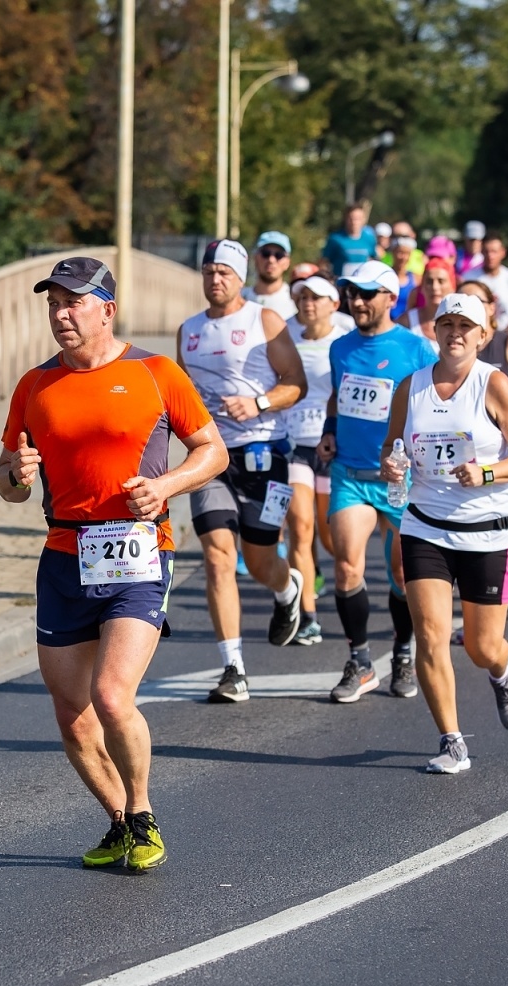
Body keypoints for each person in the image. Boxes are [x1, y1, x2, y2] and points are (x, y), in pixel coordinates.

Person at [0, 256, 226, 872]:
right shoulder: (34, 385)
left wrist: (169, 486)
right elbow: (9, 481)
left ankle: (145, 812)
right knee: (71, 715)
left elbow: (212, 450)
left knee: (111, 695)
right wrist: (15, 477)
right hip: (64, 556)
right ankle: (119, 821)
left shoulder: (154, 372)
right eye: (53, 304)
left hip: (136, 550)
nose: (61, 314)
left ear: (107, 308)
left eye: (73, 302)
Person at [383, 293, 508, 774]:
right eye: (446, 324)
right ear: (435, 330)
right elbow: (390, 453)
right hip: (425, 526)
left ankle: (502, 670)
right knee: (430, 637)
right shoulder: (410, 388)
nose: (455, 333)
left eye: (465, 326)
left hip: (488, 532)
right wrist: (392, 467)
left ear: (483, 336)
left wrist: (488, 473)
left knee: (480, 646)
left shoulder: (493, 384)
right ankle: (452, 741)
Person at [178, 239, 309, 703]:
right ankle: (232, 667)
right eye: (209, 271)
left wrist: (257, 402)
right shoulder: (189, 330)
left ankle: (286, 587)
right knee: (216, 557)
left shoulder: (263, 320)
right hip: (210, 457)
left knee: (258, 562)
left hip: (264, 454)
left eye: (225, 273)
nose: (216, 279)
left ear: (240, 278)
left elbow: (296, 383)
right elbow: (181, 396)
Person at [318, 259, 438, 702]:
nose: (357, 301)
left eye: (367, 293)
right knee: (347, 565)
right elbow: (337, 395)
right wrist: (329, 433)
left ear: (390, 298)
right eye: (351, 292)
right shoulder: (340, 347)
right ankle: (361, 660)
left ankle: (402, 654)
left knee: (402, 573)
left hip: (400, 480)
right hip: (350, 474)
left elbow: (433, 406)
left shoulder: (418, 349)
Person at [282, 275, 353, 644]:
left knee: (332, 540)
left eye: (316, 297)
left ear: (333, 303)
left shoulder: (345, 343)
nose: (308, 303)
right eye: (302, 297)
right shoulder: (285, 340)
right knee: (301, 525)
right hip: (296, 444)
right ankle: (307, 615)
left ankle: (346, 587)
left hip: (333, 445)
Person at [462, 235, 508, 330]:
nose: (490, 256)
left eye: (494, 251)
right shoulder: (469, 278)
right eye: (486, 251)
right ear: (481, 252)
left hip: (505, 334)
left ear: (503, 252)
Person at [397, 257, 458, 339]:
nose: (435, 287)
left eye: (441, 281)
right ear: (422, 287)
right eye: (429, 281)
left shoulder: (462, 322)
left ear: (452, 287)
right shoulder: (407, 322)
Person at [242, 231, 297, 319]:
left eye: (279, 255)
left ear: (287, 262)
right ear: (255, 258)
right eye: (265, 253)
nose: (271, 260)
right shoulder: (239, 297)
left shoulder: (295, 301)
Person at [322, 204, 377, 277]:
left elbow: (373, 259)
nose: (354, 222)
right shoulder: (335, 239)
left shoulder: (369, 239)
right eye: (351, 218)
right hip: (341, 284)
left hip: (362, 284)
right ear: (346, 219)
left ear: (363, 220)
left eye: (358, 219)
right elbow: (324, 262)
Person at [387, 234, 419, 318]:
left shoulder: (416, 278)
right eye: (400, 252)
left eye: (407, 253)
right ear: (393, 252)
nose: (403, 257)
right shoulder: (384, 276)